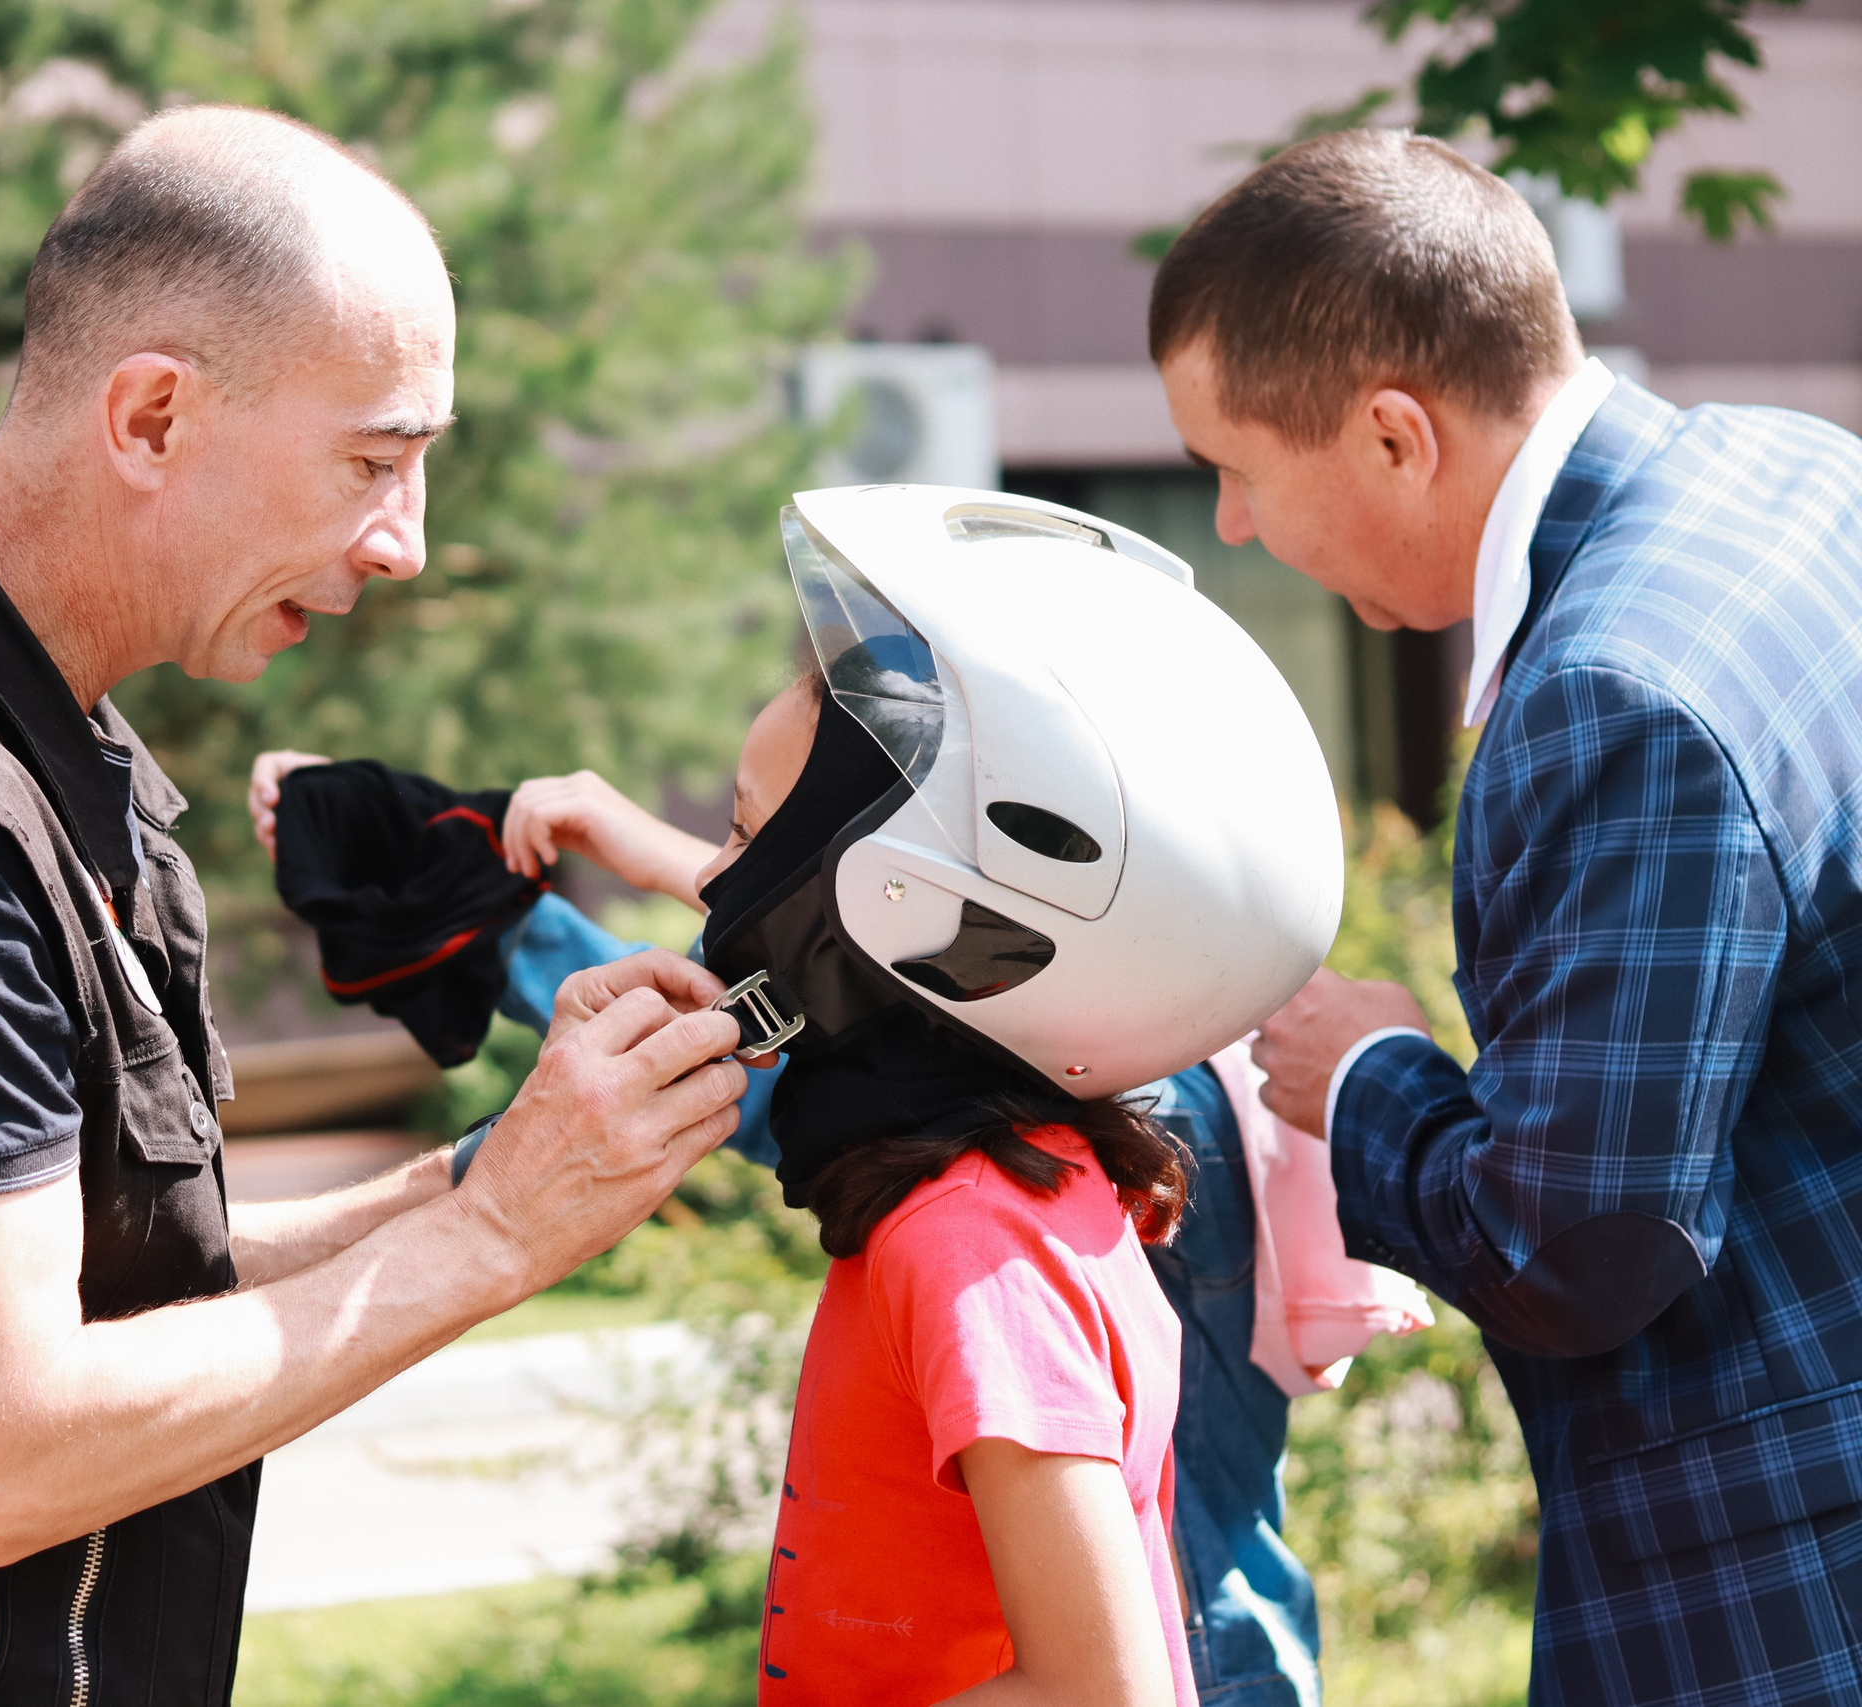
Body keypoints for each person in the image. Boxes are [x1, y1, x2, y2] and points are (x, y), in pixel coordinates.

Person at [0, 105, 748, 1707]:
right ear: (150, 417)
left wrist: (476, 1172)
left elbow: (126, 1266)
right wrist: (492, 1237)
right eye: (377, 458)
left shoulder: (42, 740)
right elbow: (3, 1447)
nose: (406, 543)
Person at [264, 484, 1351, 1702]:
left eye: (741, 842)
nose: (713, 885)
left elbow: (1105, 1693)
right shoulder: (1013, 1186)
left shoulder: (971, 1243)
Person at [1153, 129, 1862, 1705]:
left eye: (1238, 466)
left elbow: (1584, 1249)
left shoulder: (1611, 692)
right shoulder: (1791, 464)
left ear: (1397, 437)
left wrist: (1370, 1075)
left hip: (1779, 1583)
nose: (1235, 528)